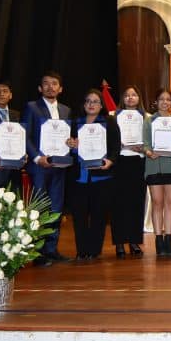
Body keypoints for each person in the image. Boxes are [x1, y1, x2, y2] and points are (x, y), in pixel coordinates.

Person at [23, 70, 72, 266]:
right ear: (39, 88)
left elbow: (68, 136)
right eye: (46, 83)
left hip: (59, 166)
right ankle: (37, 252)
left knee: (57, 209)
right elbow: (25, 135)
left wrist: (70, 143)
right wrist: (36, 158)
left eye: (54, 84)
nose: (50, 87)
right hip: (40, 167)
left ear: (60, 89)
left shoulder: (66, 110)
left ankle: (52, 249)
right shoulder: (31, 107)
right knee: (39, 209)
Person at [67, 89, 120, 260]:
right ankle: (82, 250)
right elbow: (69, 148)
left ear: (101, 105)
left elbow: (115, 147)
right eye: (88, 101)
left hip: (102, 176)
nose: (91, 104)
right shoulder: (75, 123)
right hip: (79, 177)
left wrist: (110, 161)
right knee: (79, 216)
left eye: (95, 101)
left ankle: (94, 250)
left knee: (99, 215)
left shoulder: (109, 122)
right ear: (84, 104)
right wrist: (71, 145)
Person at [142, 88, 171, 258]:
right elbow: (145, 143)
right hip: (154, 165)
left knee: (170, 203)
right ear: (156, 102)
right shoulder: (149, 121)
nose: (165, 102)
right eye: (161, 99)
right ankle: (158, 240)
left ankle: (169, 239)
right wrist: (149, 152)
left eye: (168, 99)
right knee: (157, 202)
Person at [111, 85, 147, 258]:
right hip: (119, 162)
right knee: (118, 203)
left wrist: (144, 148)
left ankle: (134, 241)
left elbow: (151, 140)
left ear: (139, 98)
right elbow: (109, 139)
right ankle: (119, 242)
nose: (130, 98)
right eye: (127, 95)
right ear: (122, 99)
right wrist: (120, 145)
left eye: (134, 95)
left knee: (136, 202)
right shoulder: (113, 116)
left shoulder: (146, 117)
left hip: (138, 162)